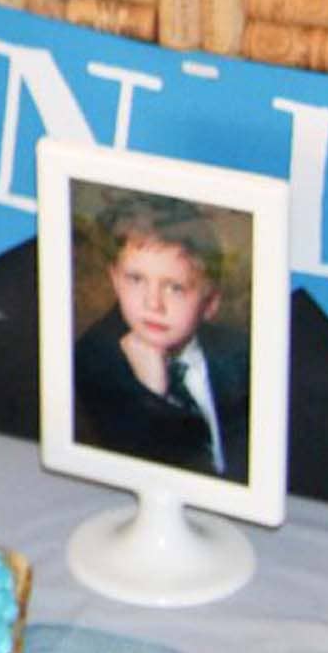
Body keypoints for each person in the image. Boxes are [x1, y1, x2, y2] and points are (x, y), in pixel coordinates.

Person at [71, 199, 251, 480]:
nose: (153, 304)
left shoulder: (240, 355)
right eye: (135, 279)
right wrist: (153, 395)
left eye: (175, 288)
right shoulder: (95, 360)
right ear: (115, 281)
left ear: (211, 302)